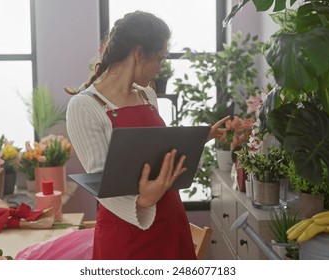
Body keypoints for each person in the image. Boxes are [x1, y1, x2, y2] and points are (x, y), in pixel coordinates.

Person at [66, 10, 229, 260]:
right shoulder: (85, 106)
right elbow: (100, 180)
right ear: (139, 53)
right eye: (159, 59)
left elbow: (157, 151)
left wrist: (202, 137)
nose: (160, 69)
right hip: (126, 235)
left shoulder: (147, 95)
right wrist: (142, 201)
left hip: (172, 221)